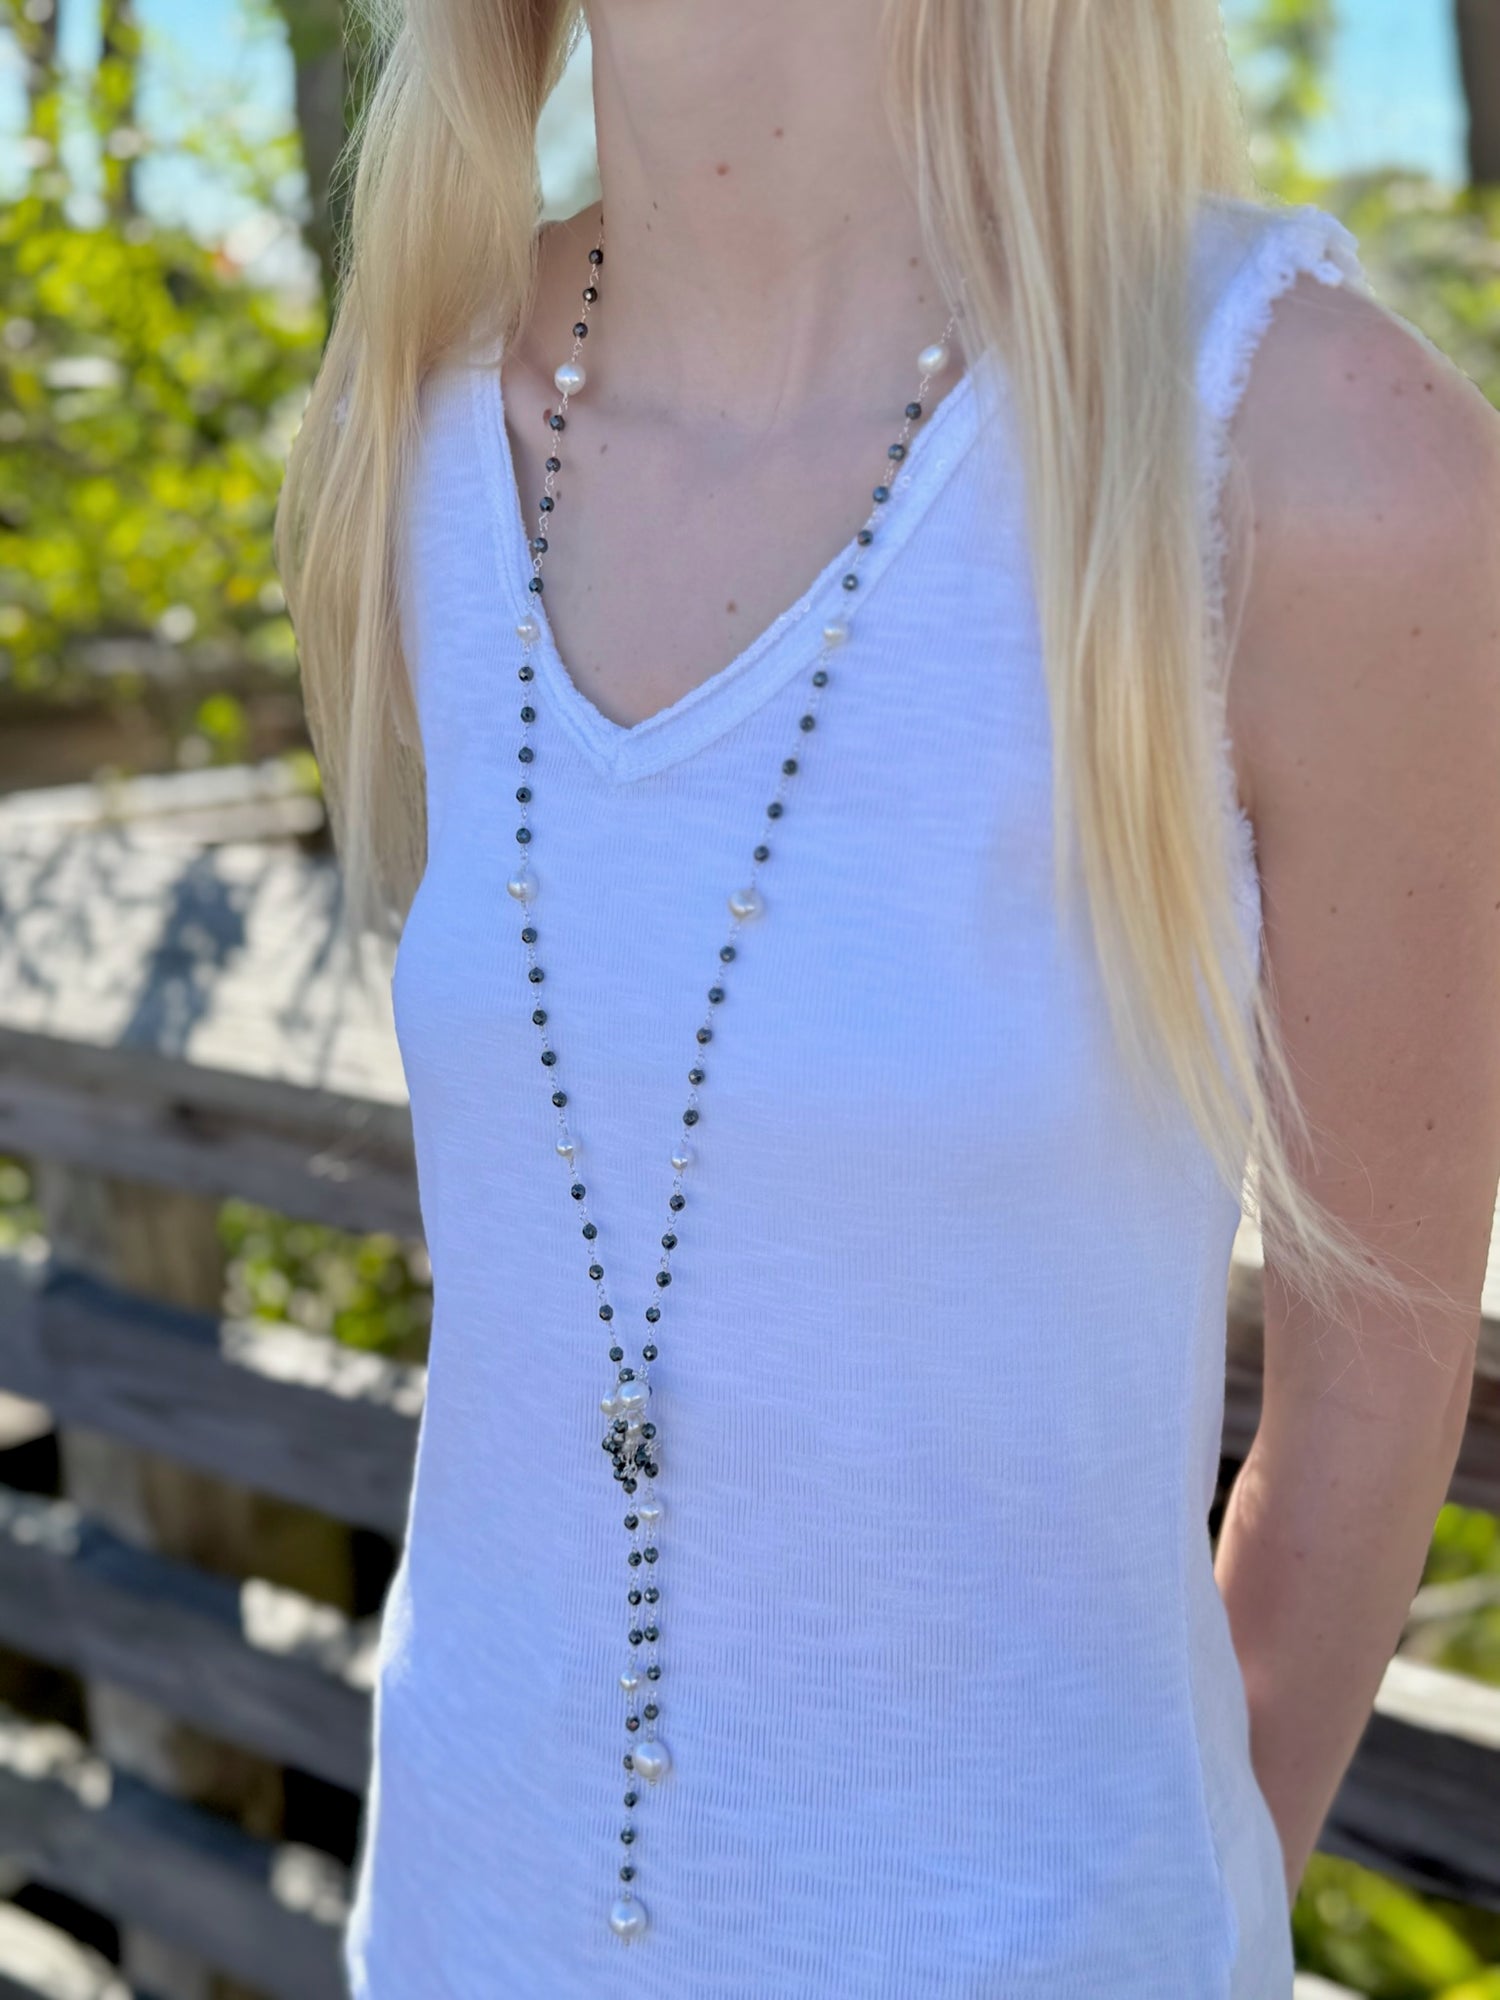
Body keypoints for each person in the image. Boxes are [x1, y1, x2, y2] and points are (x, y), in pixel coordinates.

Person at [275, 1, 1500, 1993]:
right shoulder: (414, 410)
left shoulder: (1312, 458)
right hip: (455, 1929)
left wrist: (1115, 1925)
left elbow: (1372, 1392)